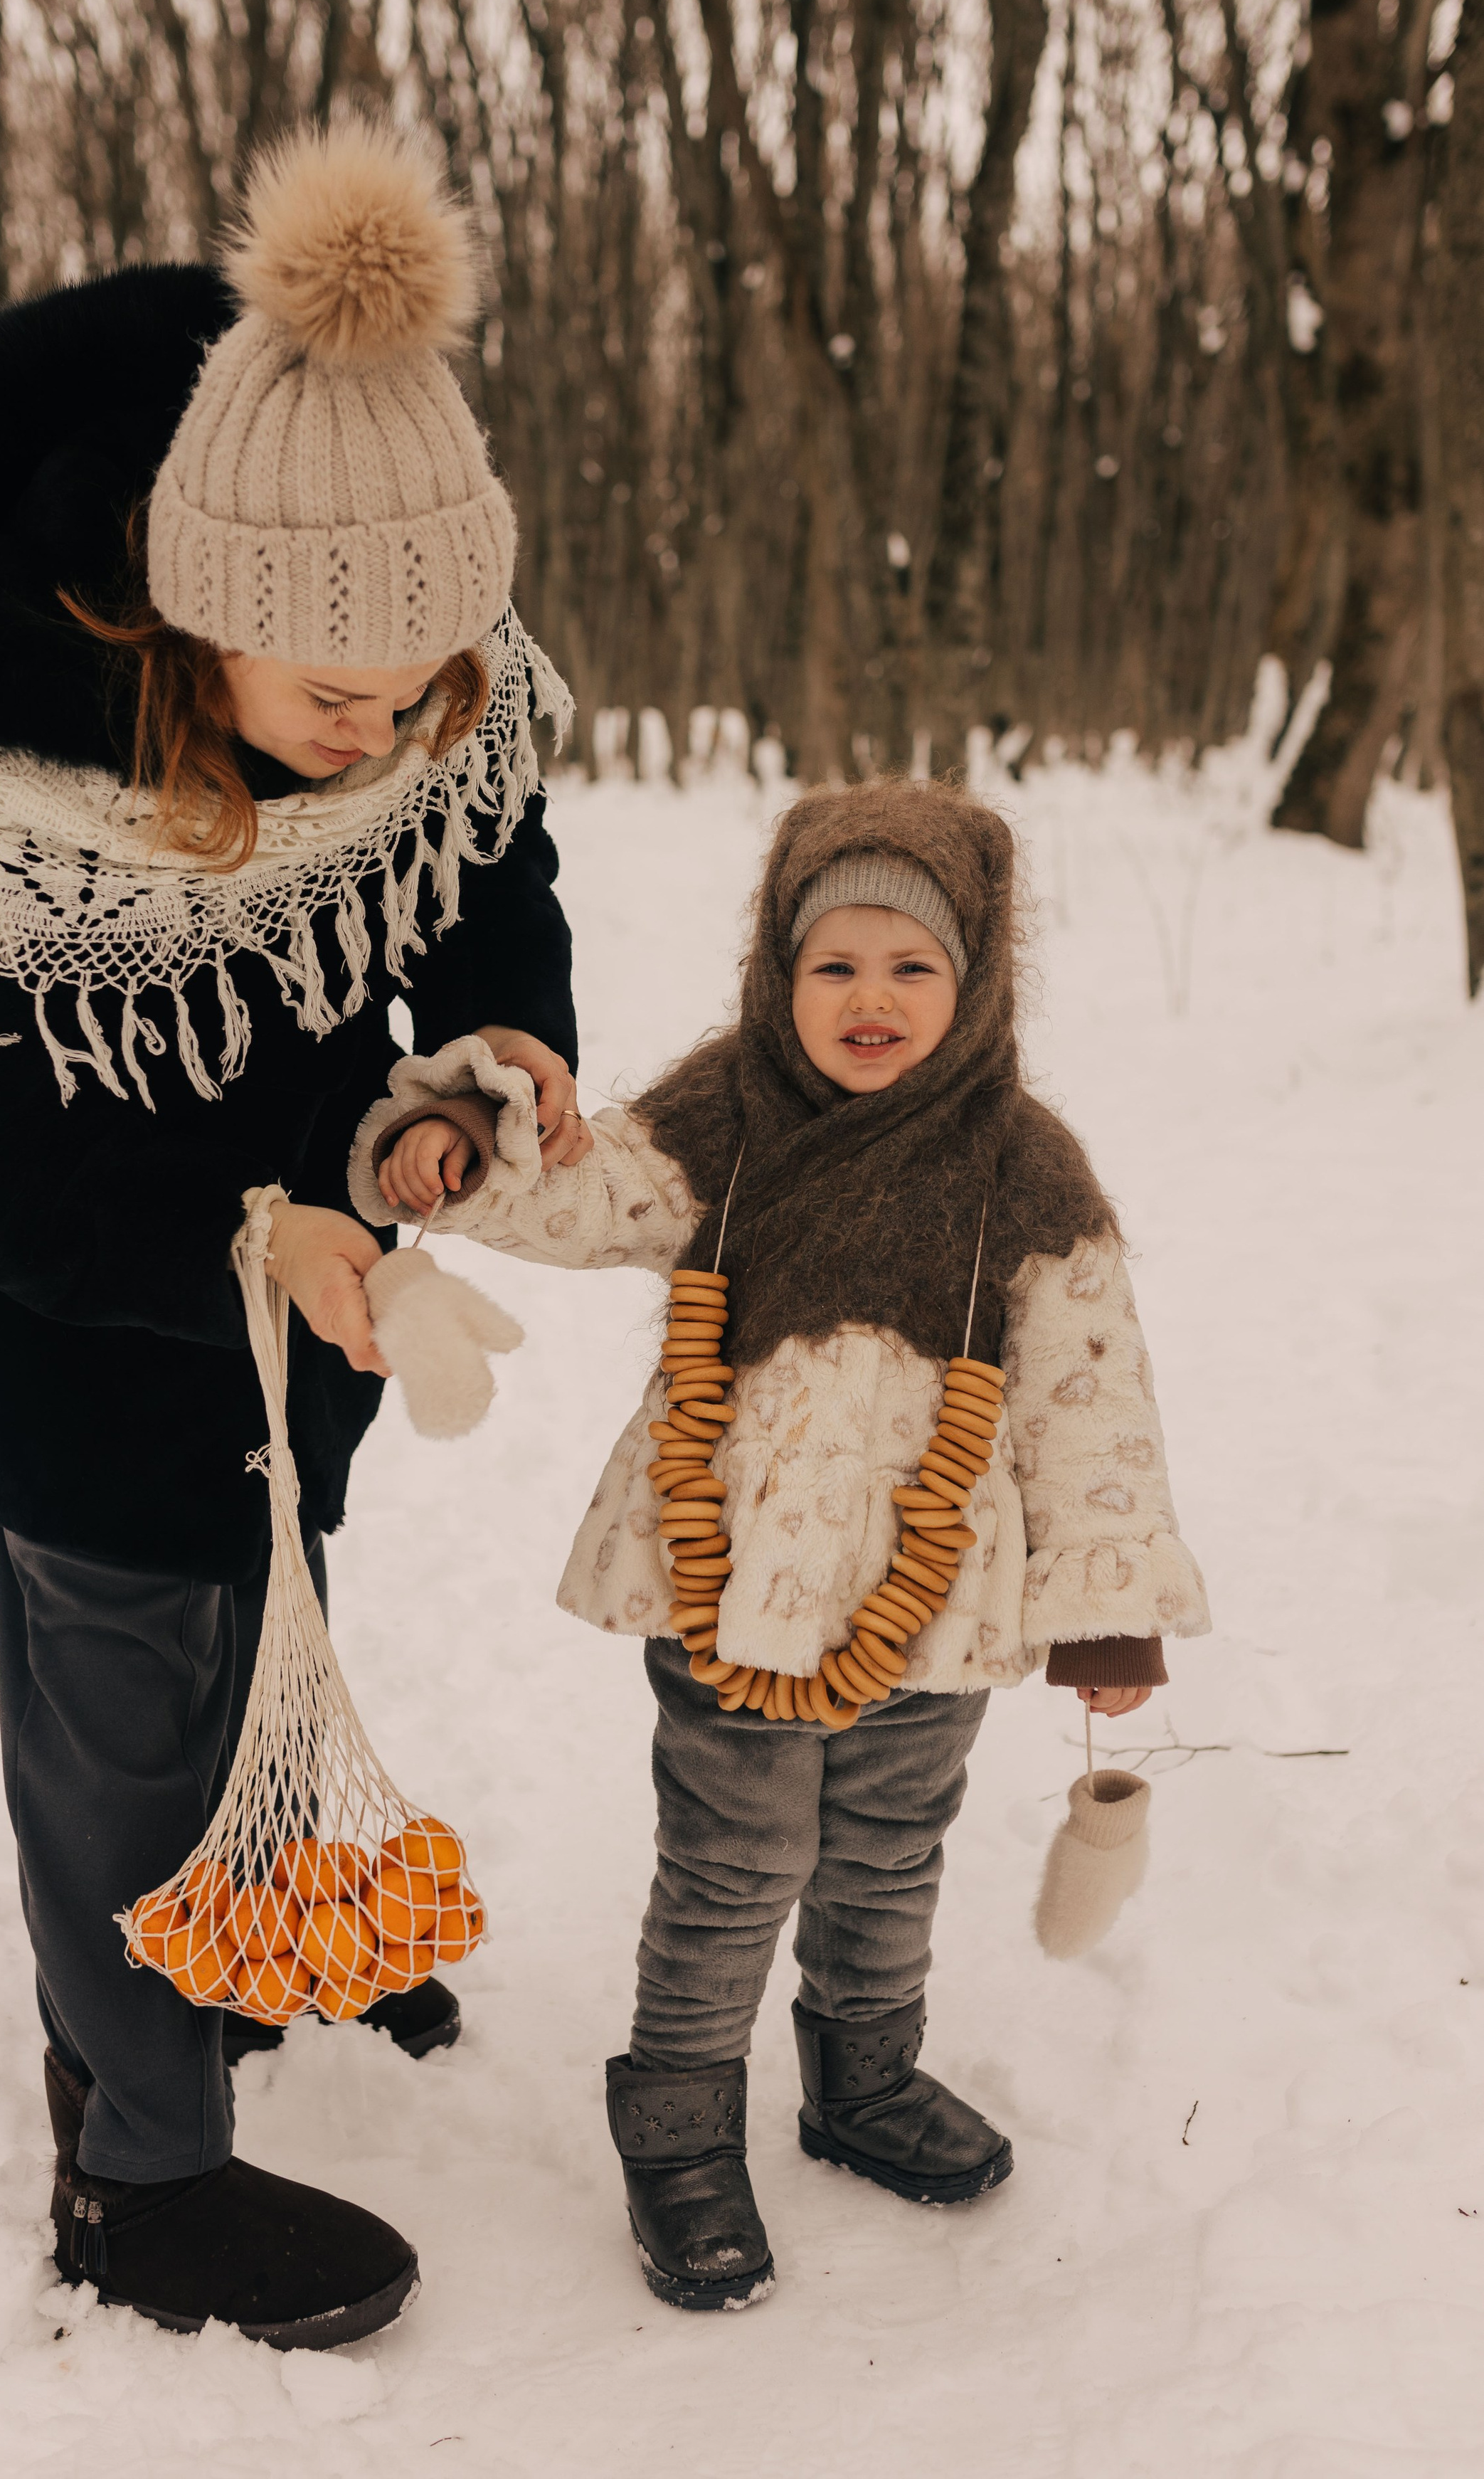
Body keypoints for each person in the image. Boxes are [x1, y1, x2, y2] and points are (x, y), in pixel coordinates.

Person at [0, 117, 587, 2349]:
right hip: (74, 1351)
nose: (386, 731)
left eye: (429, 682)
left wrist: (490, 1048)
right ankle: (139, 2175)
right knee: (127, 1714)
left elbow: (484, 844)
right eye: (335, 693)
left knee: (277, 1597)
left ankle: (258, 1916)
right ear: (182, 607)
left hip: (303, 1305)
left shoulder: (406, 684)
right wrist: (246, 1243)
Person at [353, 778, 1210, 2310]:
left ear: (975, 978)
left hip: (928, 1600)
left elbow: (1092, 1401)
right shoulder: (724, 1117)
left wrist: (1103, 1612)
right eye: (833, 967)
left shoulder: (1022, 1166)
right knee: (731, 1860)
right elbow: (590, 1186)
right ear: (776, 972)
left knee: (889, 1854)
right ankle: (677, 2121)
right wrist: (469, 1152)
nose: (868, 1000)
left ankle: (860, 2076)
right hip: (728, 1577)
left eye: (909, 968)